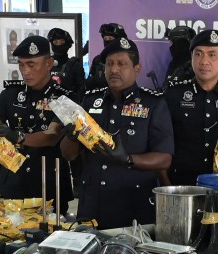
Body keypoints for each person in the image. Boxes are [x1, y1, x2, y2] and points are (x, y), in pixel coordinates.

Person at [60, 37, 172, 227]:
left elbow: (164, 159)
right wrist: (71, 137)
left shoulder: (153, 104)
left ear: (137, 69)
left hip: (134, 206)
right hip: (92, 205)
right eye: (109, 64)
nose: (114, 69)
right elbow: (68, 154)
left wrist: (128, 159)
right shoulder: (90, 101)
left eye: (121, 64)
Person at [0, 36, 71, 212]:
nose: (25, 71)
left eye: (31, 65)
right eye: (21, 65)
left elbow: (52, 136)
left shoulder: (64, 98)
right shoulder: (11, 93)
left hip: (48, 185)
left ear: (49, 63)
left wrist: (18, 136)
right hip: (12, 182)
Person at [163, 29, 218, 186]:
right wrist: (167, 185)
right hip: (183, 185)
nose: (204, 61)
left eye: (212, 55)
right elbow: (161, 144)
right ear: (191, 58)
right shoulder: (174, 94)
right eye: (198, 54)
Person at [84, 23, 127, 92]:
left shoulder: (126, 60)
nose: (107, 41)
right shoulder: (98, 60)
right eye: (105, 38)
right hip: (98, 97)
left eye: (110, 38)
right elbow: (89, 84)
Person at [48, 27, 84, 99]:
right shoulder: (46, 64)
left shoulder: (74, 65)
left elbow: (81, 91)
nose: (58, 44)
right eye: (55, 42)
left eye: (61, 41)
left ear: (67, 44)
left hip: (69, 103)